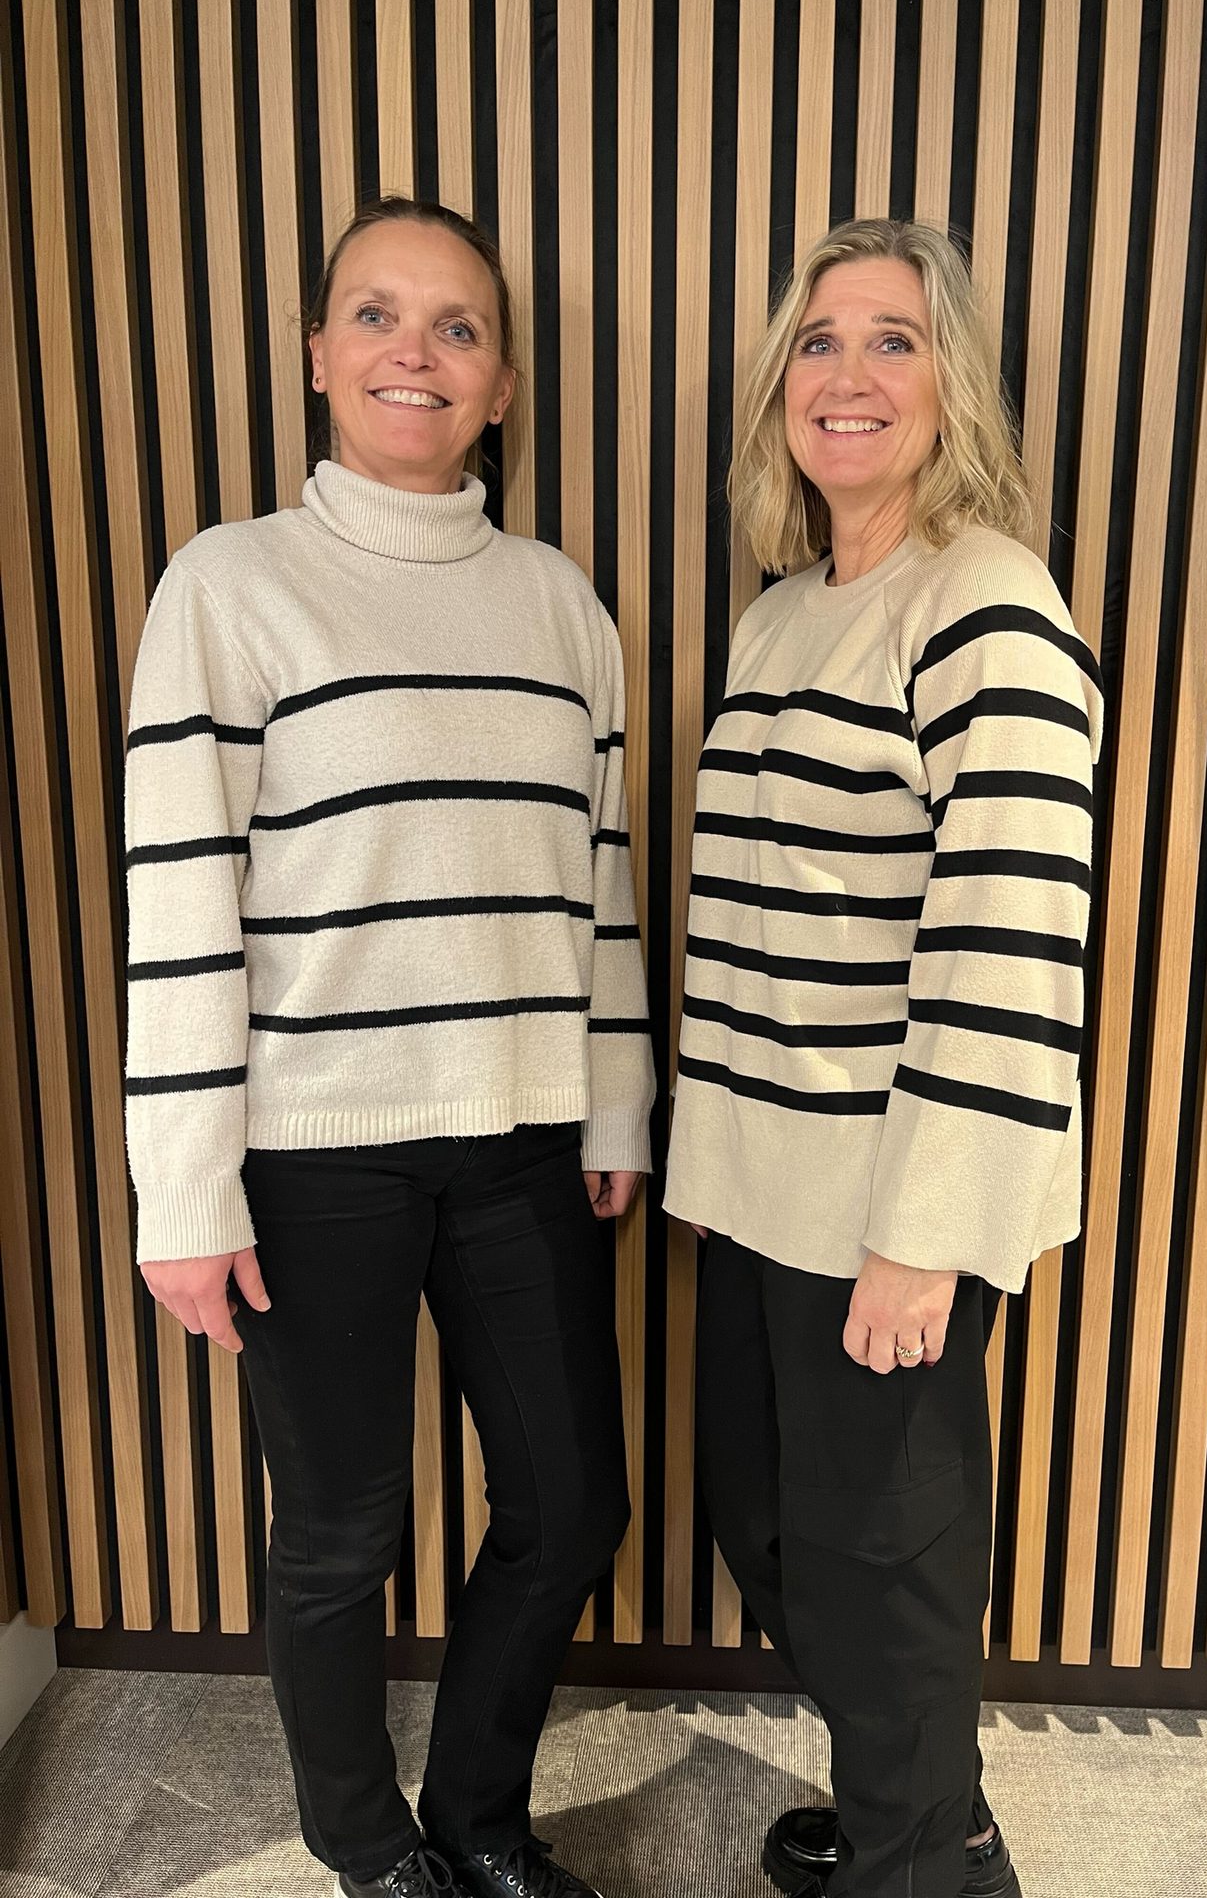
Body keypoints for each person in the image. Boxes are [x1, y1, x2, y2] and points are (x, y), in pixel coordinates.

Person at [124, 197, 654, 1898]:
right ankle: (371, 1852)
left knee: (572, 1510)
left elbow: (606, 884)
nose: (413, 353)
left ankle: (480, 1819)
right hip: (313, 1149)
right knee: (341, 1536)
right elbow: (181, 900)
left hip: (527, 1138)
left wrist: (619, 1101)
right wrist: (184, 1185)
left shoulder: (564, 607)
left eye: (457, 328)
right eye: (376, 316)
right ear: (316, 356)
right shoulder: (228, 585)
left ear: (502, 383)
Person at [664, 218, 1105, 1898]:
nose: (848, 375)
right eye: (820, 341)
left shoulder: (987, 604)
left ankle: (931, 1861)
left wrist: (925, 1232)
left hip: (887, 1201)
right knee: (777, 1540)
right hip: (761, 1183)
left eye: (895, 341)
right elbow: (752, 922)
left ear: (954, 389)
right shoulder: (783, 619)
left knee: (882, 1563)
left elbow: (1010, 937)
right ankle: (918, 1802)